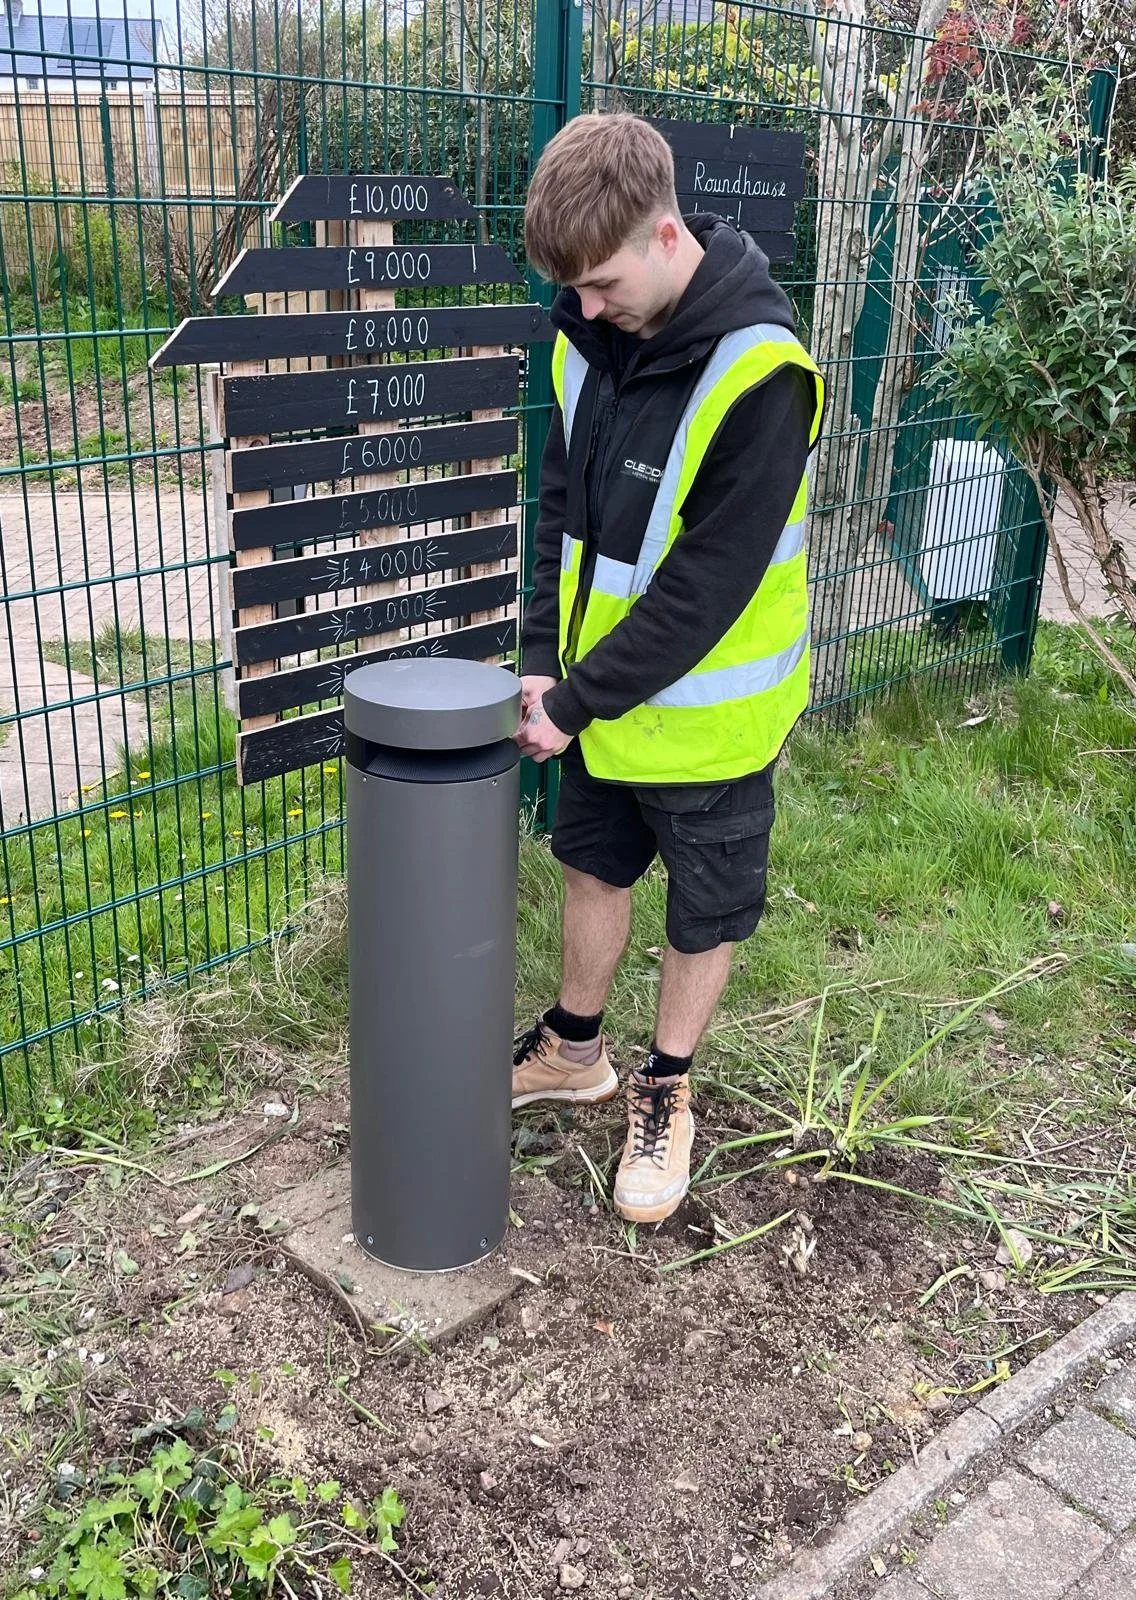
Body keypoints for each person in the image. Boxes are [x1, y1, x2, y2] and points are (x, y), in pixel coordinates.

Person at [512, 112, 825, 1224]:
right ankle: (577, 1050)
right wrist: (547, 662)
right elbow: (561, 510)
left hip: (710, 721)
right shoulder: (585, 335)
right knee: (591, 864)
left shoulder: (760, 376)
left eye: (602, 283)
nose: (586, 308)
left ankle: (666, 1088)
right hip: (598, 707)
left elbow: (705, 586)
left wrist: (579, 698)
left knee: (705, 909)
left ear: (666, 231)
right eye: (574, 291)